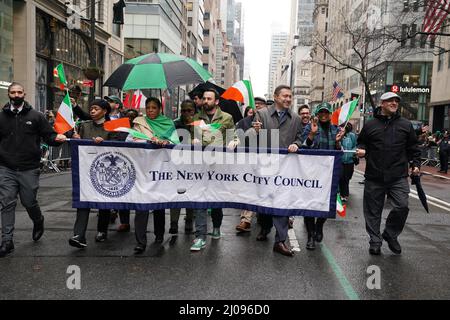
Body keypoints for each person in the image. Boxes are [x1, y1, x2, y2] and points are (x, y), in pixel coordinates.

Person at [0, 82, 67, 257]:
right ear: (8, 94)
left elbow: (49, 135)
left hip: (29, 167)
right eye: (12, 92)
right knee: (7, 202)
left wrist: (57, 138)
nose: (16, 95)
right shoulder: (1, 117)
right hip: (6, 167)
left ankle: (38, 220)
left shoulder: (36, 116)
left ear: (24, 93)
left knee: (28, 201)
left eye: (19, 92)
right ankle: (7, 240)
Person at [356, 92, 421, 256]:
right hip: (374, 176)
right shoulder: (370, 125)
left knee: (402, 206)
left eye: (396, 101)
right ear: (382, 103)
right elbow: (362, 141)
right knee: (373, 211)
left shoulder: (405, 125)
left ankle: (390, 234)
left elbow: (414, 148)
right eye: (390, 100)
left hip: (398, 176)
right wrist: (362, 149)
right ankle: (375, 241)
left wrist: (415, 165)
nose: (394, 103)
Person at [250, 85, 304, 257]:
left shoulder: (295, 118)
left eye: (290, 96)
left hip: (285, 169)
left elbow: (300, 137)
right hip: (266, 167)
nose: (288, 99)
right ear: (275, 97)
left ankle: (280, 241)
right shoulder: (262, 114)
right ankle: (265, 227)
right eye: (285, 96)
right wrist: (255, 132)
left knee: (282, 202)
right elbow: (251, 137)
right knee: (265, 201)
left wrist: (297, 144)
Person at [132, 97, 180, 254]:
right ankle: (140, 241)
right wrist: (148, 139)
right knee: (142, 204)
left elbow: (175, 142)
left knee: (158, 202)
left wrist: (165, 141)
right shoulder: (139, 121)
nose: (151, 110)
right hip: (142, 167)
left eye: (154, 107)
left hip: (160, 168)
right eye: (148, 107)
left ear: (160, 109)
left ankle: (159, 234)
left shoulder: (168, 123)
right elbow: (132, 139)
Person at [68, 99, 118, 248]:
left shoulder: (113, 126)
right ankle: (79, 234)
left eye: (96, 108)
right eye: (91, 108)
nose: (92, 111)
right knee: (83, 200)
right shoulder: (84, 126)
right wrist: (75, 139)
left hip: (105, 169)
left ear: (105, 111)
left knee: (103, 200)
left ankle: (102, 230)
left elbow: (118, 146)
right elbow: (77, 145)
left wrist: (105, 142)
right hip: (85, 169)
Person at [190, 89, 235, 252]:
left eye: (209, 98)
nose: (206, 100)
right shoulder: (196, 117)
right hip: (201, 165)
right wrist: (193, 138)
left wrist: (233, 142)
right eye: (204, 98)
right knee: (201, 199)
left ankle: (216, 227)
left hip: (219, 165)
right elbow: (192, 137)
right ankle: (200, 236)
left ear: (216, 101)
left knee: (216, 200)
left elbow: (233, 136)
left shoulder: (227, 118)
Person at [301, 102, 345, 251]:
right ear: (318, 114)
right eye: (321, 113)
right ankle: (311, 235)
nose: (324, 115)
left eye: (326, 112)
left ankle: (319, 225)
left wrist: (338, 143)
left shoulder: (336, 130)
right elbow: (304, 147)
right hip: (312, 174)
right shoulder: (310, 127)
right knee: (309, 205)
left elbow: (340, 153)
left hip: (330, 174)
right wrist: (312, 134)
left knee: (327, 203)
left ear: (330, 114)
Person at [233, 97, 267, 233]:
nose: (258, 107)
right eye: (255, 104)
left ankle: (264, 219)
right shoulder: (243, 122)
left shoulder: (270, 122)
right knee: (249, 189)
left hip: (267, 162)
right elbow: (236, 138)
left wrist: (262, 132)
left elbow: (276, 140)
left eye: (261, 105)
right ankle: (245, 220)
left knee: (264, 191)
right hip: (248, 162)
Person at [169, 100, 196, 235]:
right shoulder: (175, 124)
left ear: (194, 111)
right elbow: (170, 140)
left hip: (194, 166)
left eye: (189, 110)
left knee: (190, 194)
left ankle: (190, 220)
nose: (186, 113)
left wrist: (193, 127)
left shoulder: (199, 124)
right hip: (177, 164)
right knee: (177, 194)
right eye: (183, 110)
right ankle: (173, 222)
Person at [116, 108, 140, 233]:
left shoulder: (141, 129)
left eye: (133, 117)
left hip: (139, 167)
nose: (130, 119)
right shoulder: (120, 129)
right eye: (128, 116)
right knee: (123, 195)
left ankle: (139, 222)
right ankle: (124, 222)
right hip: (123, 166)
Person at [339, 123, 358, 203]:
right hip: (340, 161)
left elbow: (355, 145)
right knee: (341, 177)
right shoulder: (339, 135)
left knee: (346, 178)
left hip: (349, 162)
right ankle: (342, 194)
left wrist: (352, 153)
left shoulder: (352, 136)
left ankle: (345, 194)